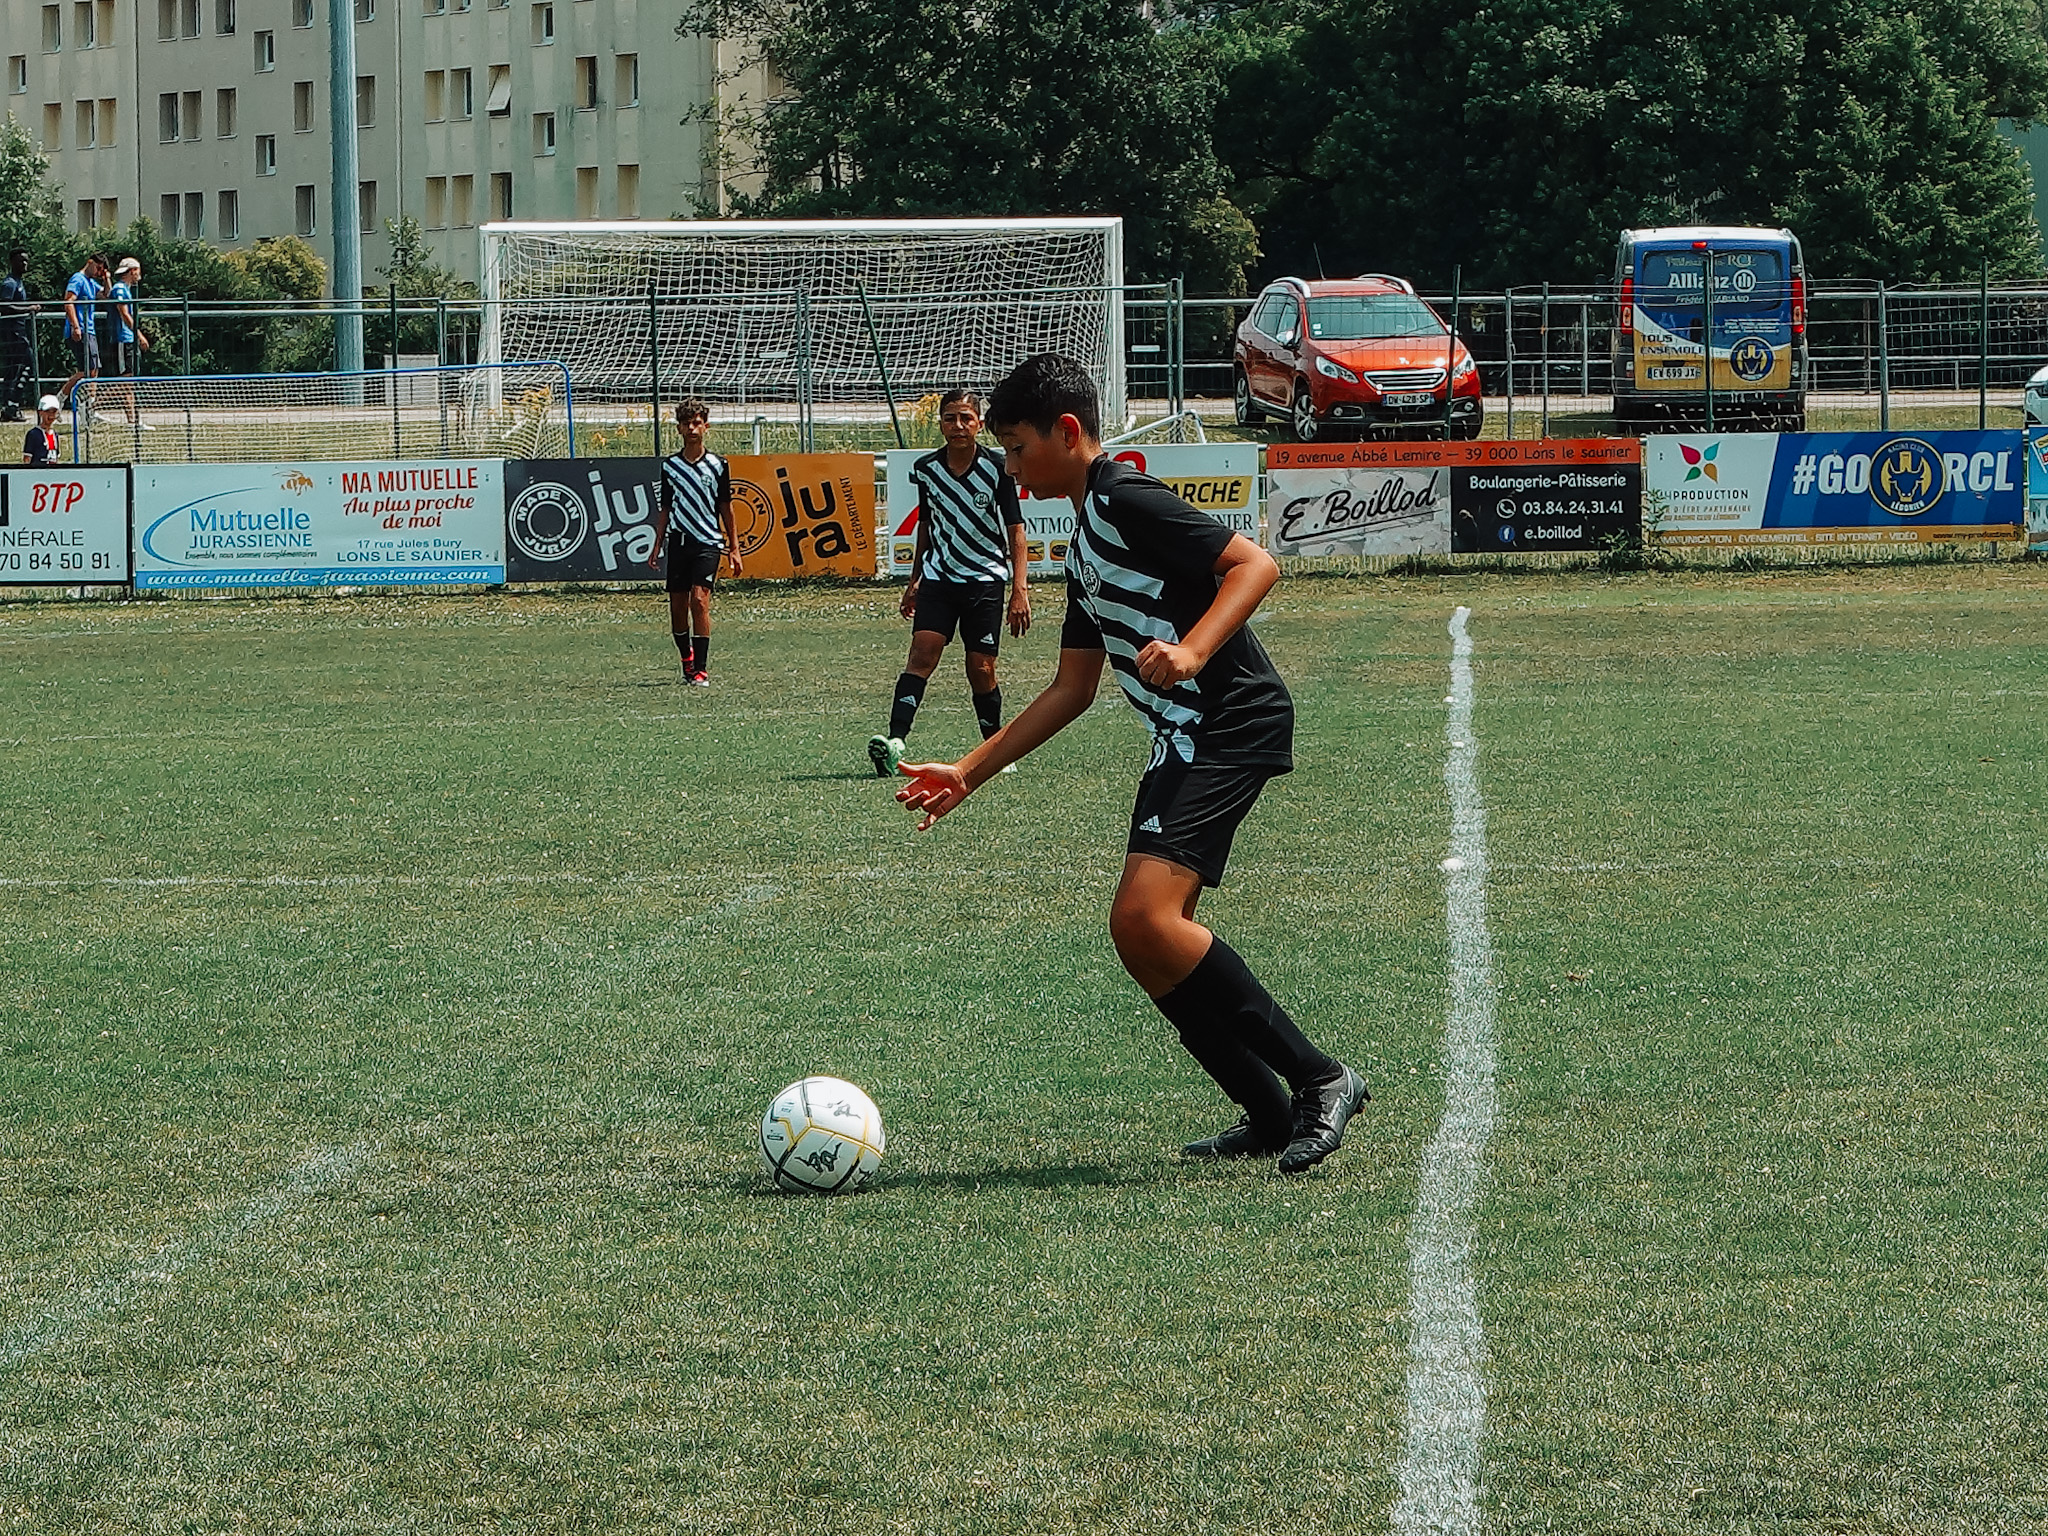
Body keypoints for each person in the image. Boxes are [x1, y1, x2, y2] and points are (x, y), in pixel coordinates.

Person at [896, 353, 1368, 1173]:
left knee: (1149, 918)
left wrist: (1190, 650)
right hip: (1181, 735)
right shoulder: (1085, 535)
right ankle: (1266, 1112)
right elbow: (1072, 688)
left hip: (1228, 720)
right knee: (1139, 933)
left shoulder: (1122, 497)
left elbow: (1255, 564)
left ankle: (1321, 1079)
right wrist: (968, 771)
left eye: (1015, 447)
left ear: (1067, 433)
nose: (1009, 465)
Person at [867, 387, 1030, 777]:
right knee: (922, 655)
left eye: (965, 418)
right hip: (939, 579)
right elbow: (926, 525)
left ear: (979, 424)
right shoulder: (927, 469)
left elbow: (1015, 528)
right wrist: (915, 580)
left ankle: (993, 750)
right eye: (949, 418)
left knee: (982, 669)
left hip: (985, 581)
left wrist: (1020, 588)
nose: (957, 426)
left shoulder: (997, 467)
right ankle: (894, 743)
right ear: (940, 422)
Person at [650, 398, 741, 685]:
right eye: (687, 423)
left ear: (706, 426)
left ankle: (701, 668)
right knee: (677, 605)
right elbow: (665, 507)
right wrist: (657, 544)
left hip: (708, 542)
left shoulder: (718, 465)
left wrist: (734, 548)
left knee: (699, 600)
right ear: (678, 428)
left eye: (697, 422)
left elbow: (726, 507)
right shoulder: (671, 467)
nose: (692, 428)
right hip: (679, 542)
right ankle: (686, 660)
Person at [103, 257, 150, 423]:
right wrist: (139, 335)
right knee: (126, 380)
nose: (139, 274)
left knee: (129, 382)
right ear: (131, 271)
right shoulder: (121, 289)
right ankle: (92, 406)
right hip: (123, 338)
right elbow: (124, 313)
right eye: (137, 270)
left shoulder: (124, 289)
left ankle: (132, 421)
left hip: (126, 338)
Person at [59, 254, 105, 408]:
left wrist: (106, 278)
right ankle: (61, 398)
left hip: (90, 330)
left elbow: (106, 295)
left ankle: (88, 406)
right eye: (98, 268)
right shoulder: (78, 279)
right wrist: (75, 326)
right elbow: (68, 301)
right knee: (87, 369)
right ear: (90, 262)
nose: (99, 272)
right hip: (81, 329)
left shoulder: (91, 282)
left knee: (93, 369)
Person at [0, 250, 36, 423]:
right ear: (12, 262)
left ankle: (10, 407)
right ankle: (11, 405)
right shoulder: (9, 283)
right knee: (24, 366)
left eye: (26, 261)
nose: (25, 264)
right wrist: (28, 309)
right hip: (13, 333)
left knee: (16, 370)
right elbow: (4, 307)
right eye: (21, 261)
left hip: (19, 331)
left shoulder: (18, 282)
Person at [22, 395, 61, 465]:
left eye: (53, 411)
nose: (51, 415)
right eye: (47, 411)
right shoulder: (33, 434)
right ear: (40, 412)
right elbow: (27, 458)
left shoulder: (55, 435)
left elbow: (56, 457)